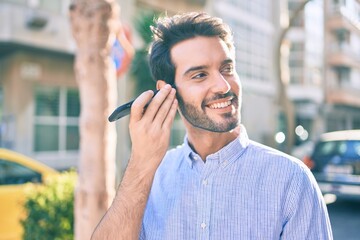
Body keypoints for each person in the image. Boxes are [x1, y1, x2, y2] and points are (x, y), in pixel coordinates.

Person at [91, 12, 333, 240]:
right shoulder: (151, 178)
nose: (223, 86)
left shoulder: (292, 180)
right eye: (200, 75)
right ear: (166, 91)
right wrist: (141, 164)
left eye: (226, 69)